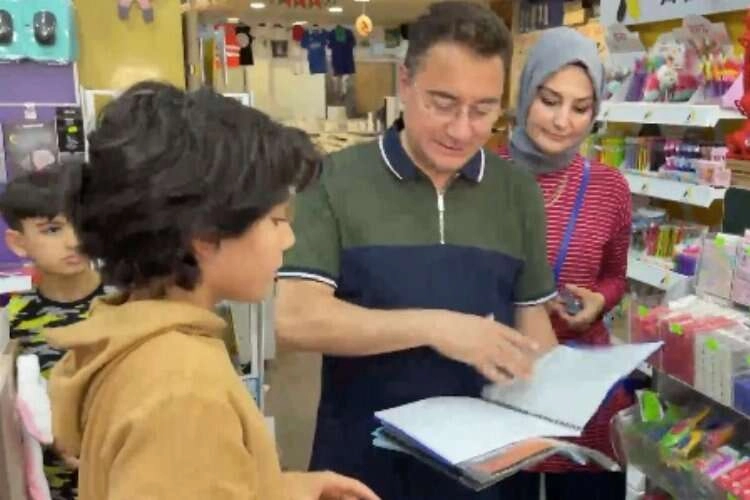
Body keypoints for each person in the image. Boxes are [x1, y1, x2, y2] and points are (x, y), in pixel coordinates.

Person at [275, 2, 558, 499]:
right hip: (361, 465)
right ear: (405, 84)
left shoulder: (518, 192)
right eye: (443, 103)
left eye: (483, 109)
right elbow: (296, 319)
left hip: (483, 472)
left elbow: (532, 321)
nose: (462, 129)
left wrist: (557, 399)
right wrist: (437, 327)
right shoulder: (334, 180)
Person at [45, 82, 380, 500]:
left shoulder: (134, 337)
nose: (289, 239)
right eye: (277, 220)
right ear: (204, 234)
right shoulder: (182, 391)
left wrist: (276, 490)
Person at [497, 27, 632, 500]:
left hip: (582, 389)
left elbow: (615, 276)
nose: (562, 121)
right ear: (525, 93)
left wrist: (600, 300)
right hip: (501, 381)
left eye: (580, 108)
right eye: (549, 100)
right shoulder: (481, 178)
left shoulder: (610, 188)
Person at [0, 165, 107, 500]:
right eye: (52, 229)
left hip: (129, 479)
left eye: (82, 223)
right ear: (18, 243)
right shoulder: (12, 323)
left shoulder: (131, 302)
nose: (74, 241)